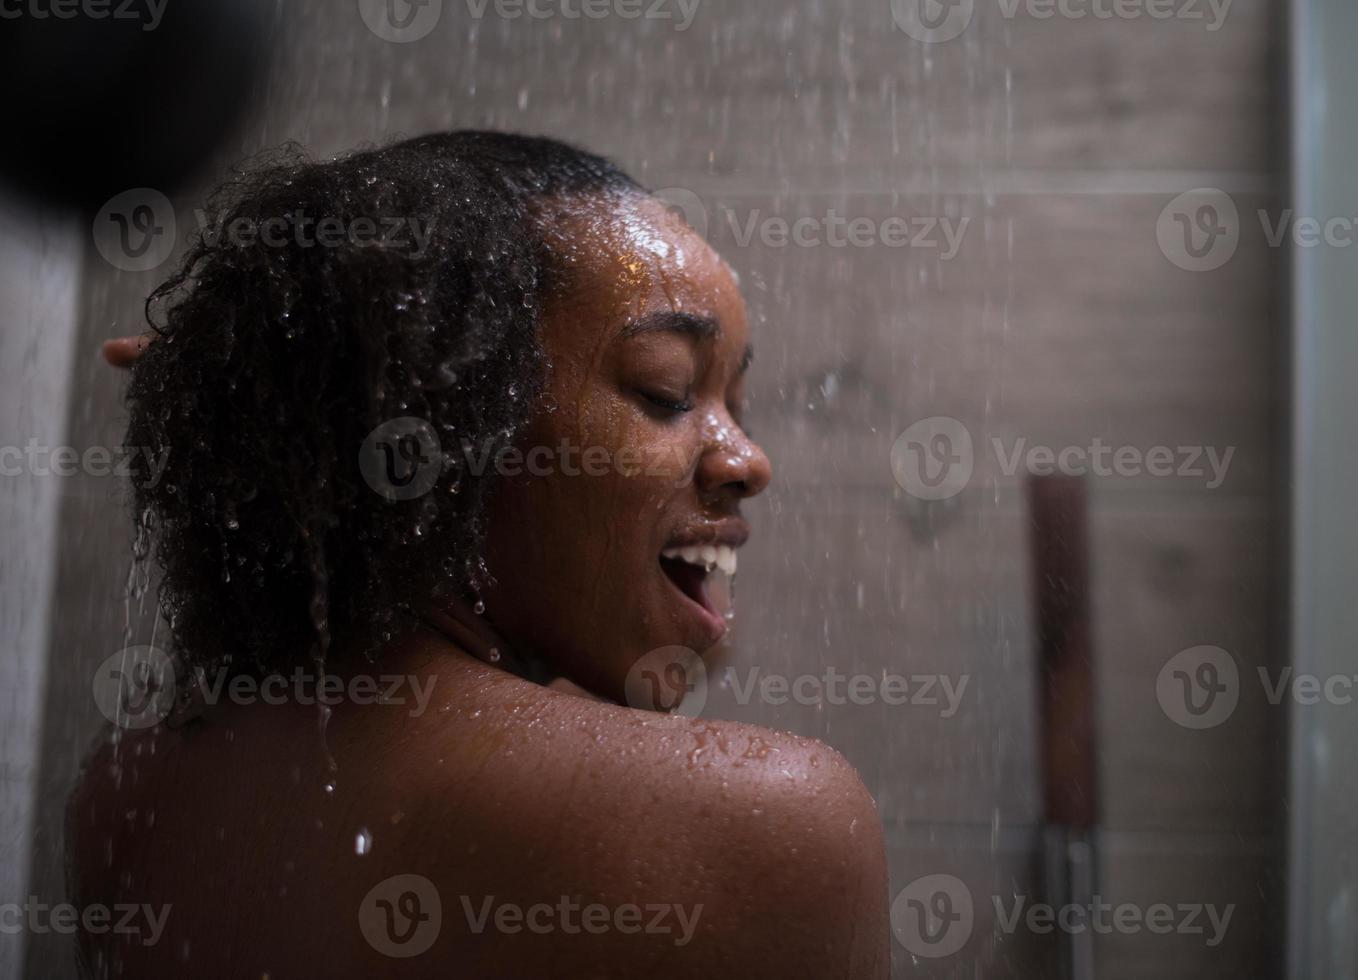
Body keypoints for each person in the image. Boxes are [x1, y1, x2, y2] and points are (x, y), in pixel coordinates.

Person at [70, 131, 889, 978]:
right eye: (667, 391)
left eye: (737, 407)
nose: (747, 461)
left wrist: (274, 402)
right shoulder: (773, 824)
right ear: (449, 423)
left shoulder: (134, 796)